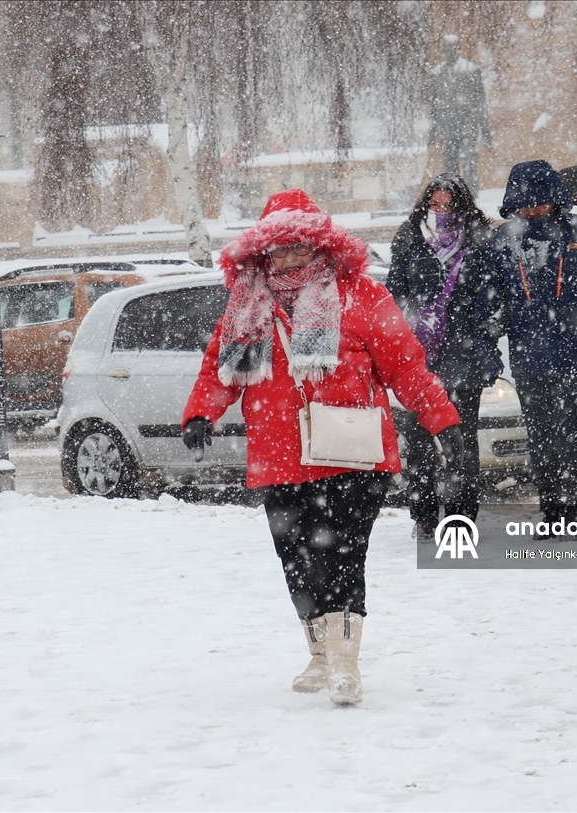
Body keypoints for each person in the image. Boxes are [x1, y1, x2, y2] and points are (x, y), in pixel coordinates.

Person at [181, 189, 464, 705]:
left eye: (299, 247)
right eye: (279, 249)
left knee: (342, 557)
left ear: (321, 246)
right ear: (262, 253)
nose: (288, 258)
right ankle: (318, 654)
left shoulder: (362, 296)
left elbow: (406, 366)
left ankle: (344, 664)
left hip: (351, 454)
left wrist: (442, 420)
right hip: (279, 456)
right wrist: (202, 412)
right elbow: (219, 368)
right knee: (298, 561)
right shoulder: (248, 305)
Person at [477, 161, 577, 537]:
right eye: (526, 204)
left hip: (575, 357)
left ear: (554, 199)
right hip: (529, 360)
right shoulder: (504, 240)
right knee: (541, 440)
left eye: (541, 203)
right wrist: (487, 350)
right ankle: (552, 514)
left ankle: (571, 515)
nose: (533, 211)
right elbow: (488, 303)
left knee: (568, 437)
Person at [387, 174, 494, 542]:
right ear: (425, 205)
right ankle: (425, 514)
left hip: (464, 355)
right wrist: (411, 322)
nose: (442, 212)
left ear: (462, 206)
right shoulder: (410, 238)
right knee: (419, 441)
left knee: (462, 439)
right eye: (435, 205)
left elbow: (489, 297)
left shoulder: (479, 240)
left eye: (450, 206)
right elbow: (394, 294)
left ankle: (462, 517)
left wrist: (484, 332)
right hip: (418, 359)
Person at [427, 34, 492, 195]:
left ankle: (472, 196)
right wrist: (431, 131)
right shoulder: (436, 74)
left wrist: (485, 130)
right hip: (446, 124)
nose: (450, 51)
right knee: (450, 165)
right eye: (446, 48)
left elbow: (480, 101)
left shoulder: (471, 70)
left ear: (458, 48)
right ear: (443, 50)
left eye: (453, 47)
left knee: (469, 161)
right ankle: (455, 196)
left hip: (467, 122)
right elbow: (432, 106)